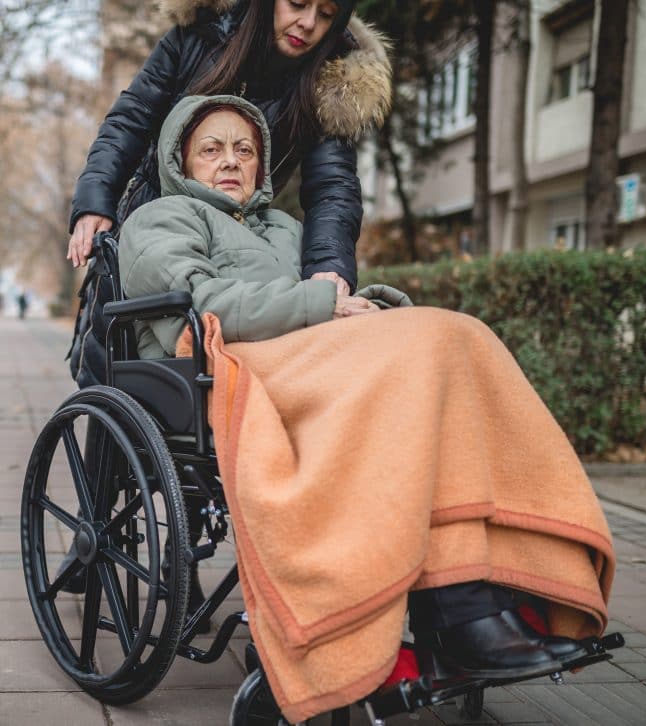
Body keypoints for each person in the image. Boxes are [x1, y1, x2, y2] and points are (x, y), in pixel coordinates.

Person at [118, 94, 612, 698]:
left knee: (459, 335)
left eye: (244, 149)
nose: (230, 160)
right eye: (212, 149)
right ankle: (460, 615)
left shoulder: (284, 226)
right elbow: (201, 308)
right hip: (226, 365)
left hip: (310, 355)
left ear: (262, 163)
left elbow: (326, 297)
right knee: (434, 339)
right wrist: (324, 304)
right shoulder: (161, 218)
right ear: (181, 159)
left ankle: (474, 602)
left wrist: (365, 303)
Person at [66, 0, 391, 383]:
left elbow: (333, 187)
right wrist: (95, 200)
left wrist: (328, 269)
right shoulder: (199, 35)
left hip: (244, 237)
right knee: (116, 369)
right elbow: (130, 120)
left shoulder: (333, 81)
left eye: (325, 14)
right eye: (298, 4)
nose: (307, 23)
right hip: (159, 222)